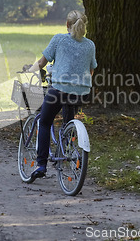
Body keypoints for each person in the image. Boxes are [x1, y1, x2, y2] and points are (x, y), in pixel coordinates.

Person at [26, 10, 97, 182]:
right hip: (82, 93)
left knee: (44, 121)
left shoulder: (59, 39)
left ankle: (41, 164)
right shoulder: (90, 45)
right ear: (84, 25)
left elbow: (42, 63)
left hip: (58, 90)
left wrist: (29, 69)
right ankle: (66, 147)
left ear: (67, 24)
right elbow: (91, 70)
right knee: (68, 115)